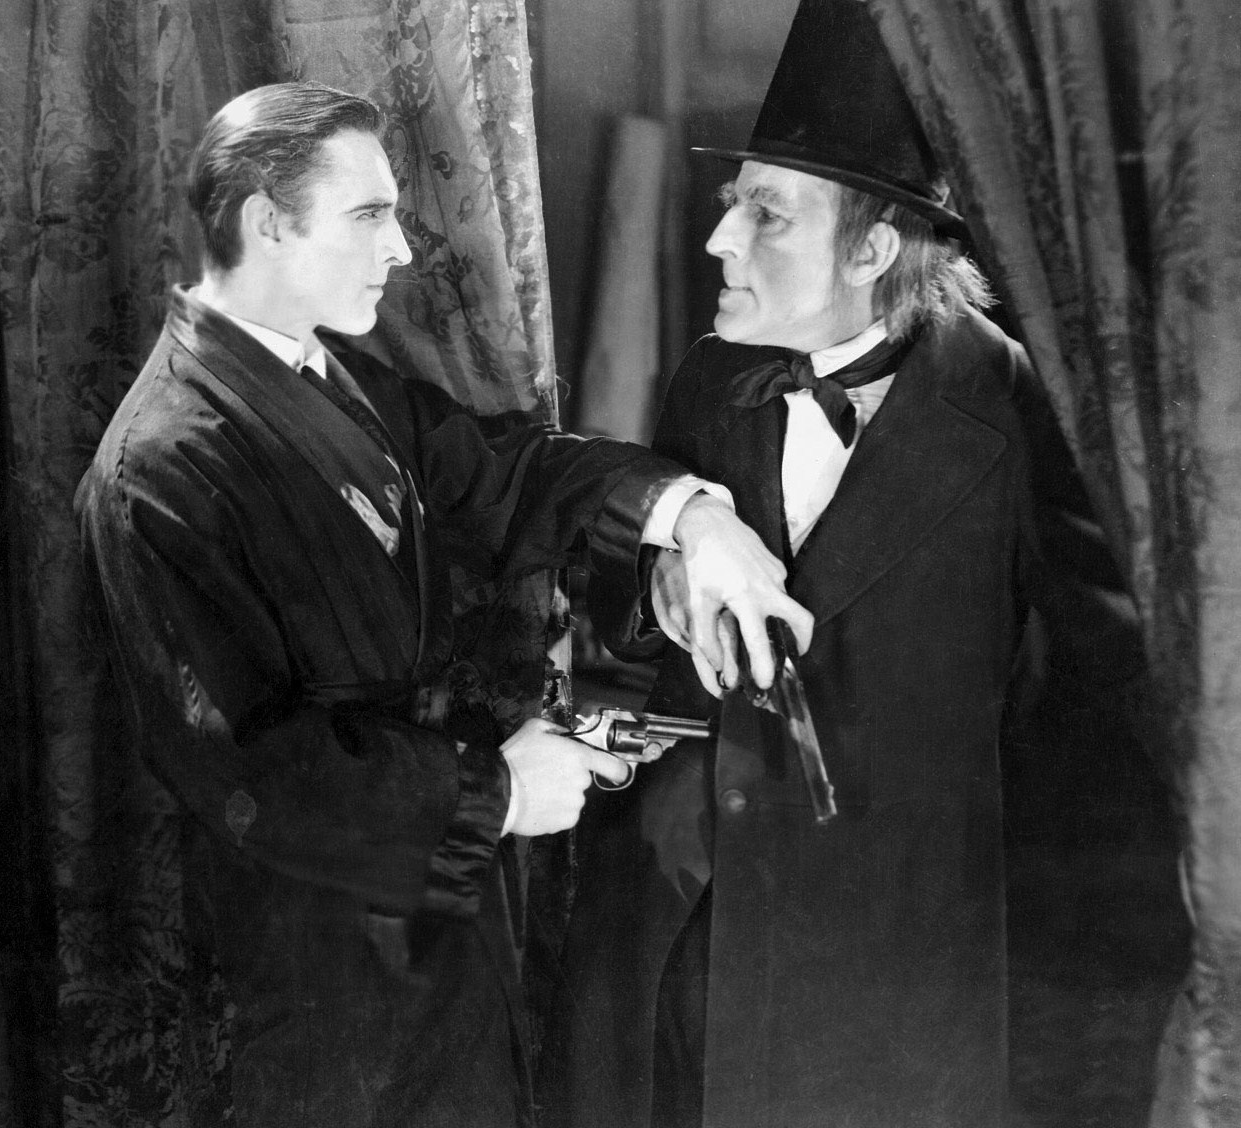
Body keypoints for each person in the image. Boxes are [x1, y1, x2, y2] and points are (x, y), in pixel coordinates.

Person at [74, 81, 812, 1128]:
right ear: (267, 223)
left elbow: (507, 470)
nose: (400, 249)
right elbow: (254, 776)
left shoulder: (326, 377)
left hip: (432, 937)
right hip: (315, 982)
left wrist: (691, 519)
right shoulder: (160, 471)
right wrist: (496, 794)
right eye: (368, 215)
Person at [541, 2, 1140, 1125]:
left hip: (893, 967)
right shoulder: (715, 378)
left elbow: (1105, 704)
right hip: (695, 917)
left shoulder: (1017, 413)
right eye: (732, 203)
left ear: (870, 251)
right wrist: (663, 590)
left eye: (766, 213)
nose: (719, 240)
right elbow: (620, 598)